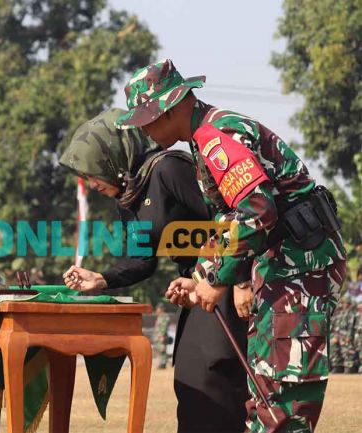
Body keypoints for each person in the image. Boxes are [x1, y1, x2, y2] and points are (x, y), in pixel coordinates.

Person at [117, 59, 347, 432]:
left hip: (299, 271)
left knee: (282, 405)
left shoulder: (216, 135)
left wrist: (218, 279)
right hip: (282, 271)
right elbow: (231, 218)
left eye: (146, 118)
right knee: (265, 394)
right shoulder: (205, 136)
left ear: (173, 107)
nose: (143, 128)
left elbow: (258, 210)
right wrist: (204, 275)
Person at [59, 108, 248, 433]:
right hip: (198, 289)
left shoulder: (169, 170)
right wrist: (101, 279)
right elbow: (141, 261)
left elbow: (231, 218)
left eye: (92, 172)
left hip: (228, 282)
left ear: (113, 159)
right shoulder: (130, 198)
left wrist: (240, 276)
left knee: (215, 380)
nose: (90, 184)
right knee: (190, 385)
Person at [153, 303, 171, 369]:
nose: (157, 310)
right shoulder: (159, 316)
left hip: (162, 336)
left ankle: (162, 364)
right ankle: (160, 364)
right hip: (158, 337)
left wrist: (161, 336)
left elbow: (164, 327)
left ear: (162, 309)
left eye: (158, 309)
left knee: (162, 350)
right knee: (158, 350)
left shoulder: (165, 317)